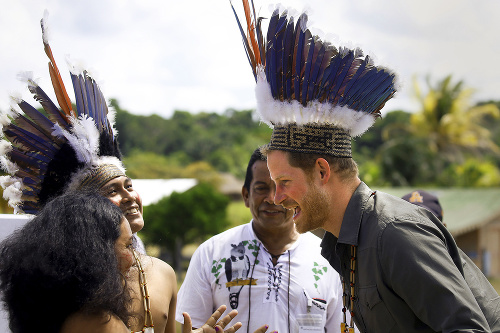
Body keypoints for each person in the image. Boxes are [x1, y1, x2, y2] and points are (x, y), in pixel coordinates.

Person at [231, 1, 492, 331]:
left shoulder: (393, 232)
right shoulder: (348, 242)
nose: (277, 197)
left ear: (322, 172)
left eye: (284, 181)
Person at [0, 14, 253, 333]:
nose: (129, 197)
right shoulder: (71, 293)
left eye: (128, 184)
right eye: (112, 192)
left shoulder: (163, 273)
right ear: (85, 214)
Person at [176, 148, 348, 333]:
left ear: (301, 194)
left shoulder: (328, 258)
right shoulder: (210, 254)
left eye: (284, 186)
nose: (272, 198)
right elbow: (192, 327)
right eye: (261, 188)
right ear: (245, 195)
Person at [0, 192, 134, 332]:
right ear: (99, 254)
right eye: (128, 245)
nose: (133, 258)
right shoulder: (99, 323)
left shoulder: (45, 313)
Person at [402, 190, 500, 331]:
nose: (419, 230)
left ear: (444, 228)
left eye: (428, 222)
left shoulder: (461, 267)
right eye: (408, 223)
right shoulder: (392, 268)